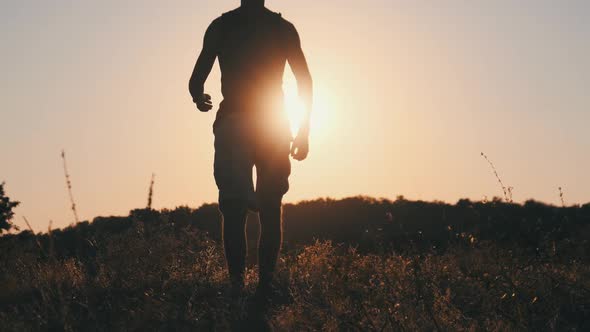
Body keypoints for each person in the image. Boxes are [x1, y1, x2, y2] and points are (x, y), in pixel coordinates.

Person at [188, 0, 313, 301]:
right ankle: (265, 287)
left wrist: (198, 97)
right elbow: (304, 81)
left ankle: (236, 288)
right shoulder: (283, 29)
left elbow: (196, 80)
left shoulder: (221, 25)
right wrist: (304, 130)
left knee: (233, 210)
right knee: (271, 209)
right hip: (273, 124)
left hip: (234, 122)